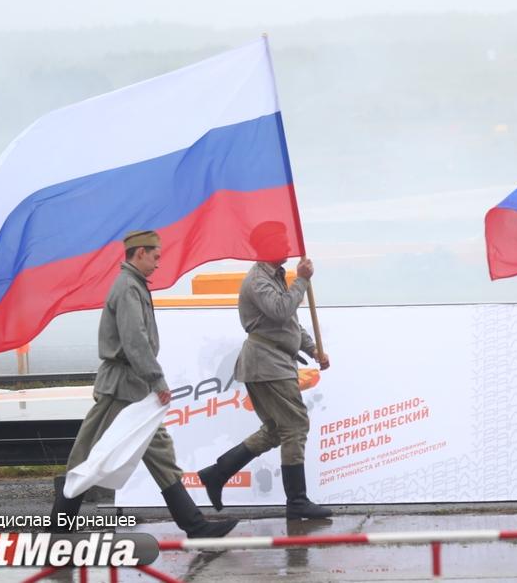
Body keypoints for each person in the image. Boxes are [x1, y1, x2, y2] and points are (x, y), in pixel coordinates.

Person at [50, 230, 238, 537]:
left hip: (134, 386)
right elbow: (134, 340)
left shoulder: (134, 285)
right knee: (83, 457)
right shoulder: (128, 288)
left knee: (160, 452)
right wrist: (157, 379)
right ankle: (58, 533)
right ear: (139, 253)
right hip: (121, 387)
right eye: (155, 256)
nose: (158, 263)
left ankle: (195, 525)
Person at [198, 221, 333, 520]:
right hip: (267, 364)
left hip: (273, 363)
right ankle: (297, 501)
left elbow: (290, 323)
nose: (288, 247)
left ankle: (217, 473)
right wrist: (303, 280)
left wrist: (313, 350)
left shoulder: (276, 277)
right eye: (281, 242)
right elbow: (281, 310)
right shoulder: (258, 281)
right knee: (295, 426)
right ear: (266, 247)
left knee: (275, 430)